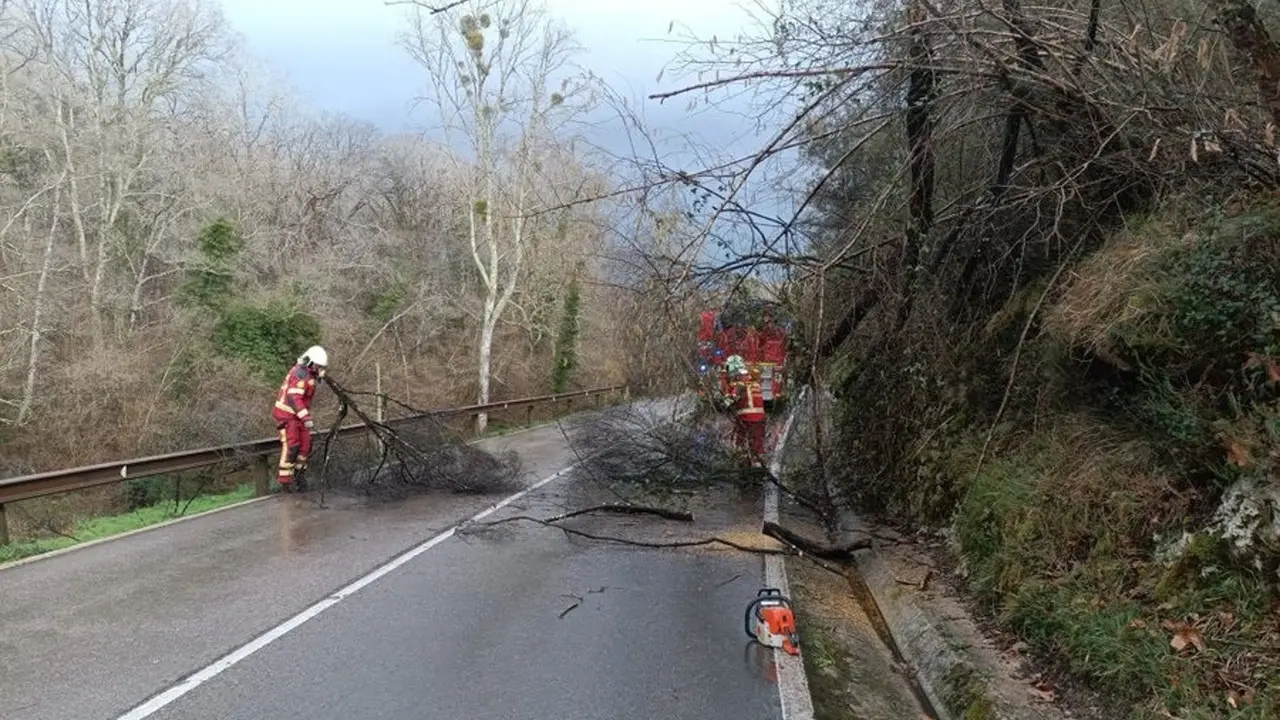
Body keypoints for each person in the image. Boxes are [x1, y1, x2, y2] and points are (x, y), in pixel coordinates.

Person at [271, 345, 328, 492]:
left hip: (299, 417)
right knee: (292, 447)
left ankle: (299, 476)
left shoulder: (310, 374)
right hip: (287, 415)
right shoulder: (300, 373)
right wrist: (306, 417)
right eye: (317, 366)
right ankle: (285, 482)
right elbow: (294, 398)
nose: (319, 369)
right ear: (310, 362)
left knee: (305, 446)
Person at [726, 356, 767, 466]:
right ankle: (757, 462)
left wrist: (724, 400)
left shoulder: (739, 384)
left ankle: (744, 461)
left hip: (745, 418)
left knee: (742, 439)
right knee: (757, 441)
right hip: (759, 418)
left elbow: (731, 400)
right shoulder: (754, 383)